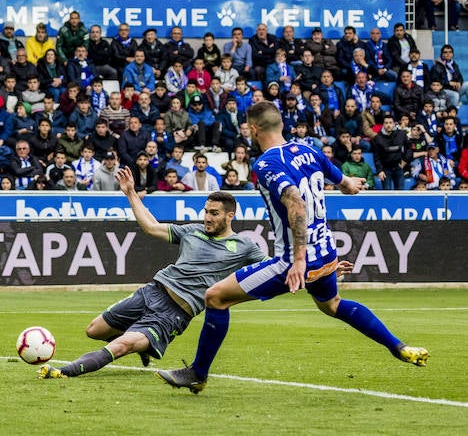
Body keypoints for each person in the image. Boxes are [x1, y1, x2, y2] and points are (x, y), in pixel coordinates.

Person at [158, 102, 429, 394]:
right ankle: (398, 346)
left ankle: (198, 373)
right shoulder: (309, 150)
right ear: (282, 126)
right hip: (326, 253)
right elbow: (343, 182)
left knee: (215, 297)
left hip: (294, 260)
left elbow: (296, 203)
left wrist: (298, 260)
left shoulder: (266, 164)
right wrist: (349, 183)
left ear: (254, 129)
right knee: (332, 304)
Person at [39, 173, 277, 380]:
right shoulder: (192, 231)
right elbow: (151, 227)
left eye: (214, 214)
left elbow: (272, 270)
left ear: (229, 216)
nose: (207, 218)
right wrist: (130, 192)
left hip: (175, 314)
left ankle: (65, 371)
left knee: (121, 345)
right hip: (152, 291)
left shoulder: (244, 245)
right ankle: (141, 343)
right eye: (206, 212)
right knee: (94, 330)